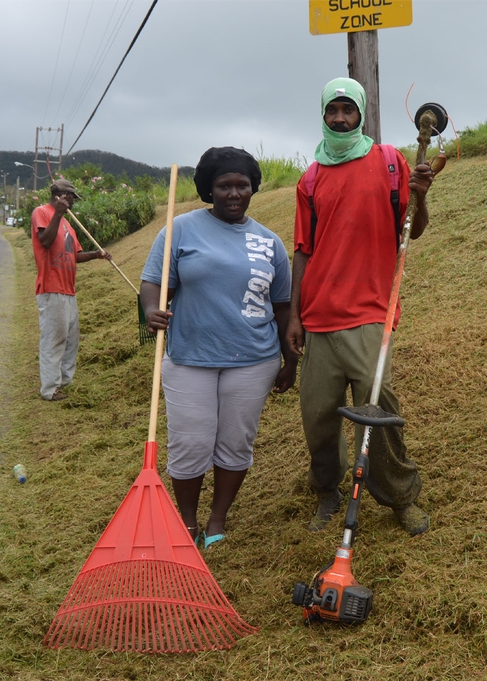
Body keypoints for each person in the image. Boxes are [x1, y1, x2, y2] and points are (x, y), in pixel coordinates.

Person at [286, 77, 436, 536]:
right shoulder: (311, 178)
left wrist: (421, 196)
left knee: (378, 407)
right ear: (323, 114)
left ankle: (399, 495)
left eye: (347, 109)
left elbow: (411, 230)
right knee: (318, 416)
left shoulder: (389, 162)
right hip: (318, 317)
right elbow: (303, 250)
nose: (339, 118)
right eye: (332, 110)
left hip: (370, 310)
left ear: (361, 113)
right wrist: (294, 316)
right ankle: (327, 491)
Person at [141, 147, 296, 549]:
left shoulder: (269, 242)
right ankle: (187, 521)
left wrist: (289, 361)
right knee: (190, 443)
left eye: (242, 185)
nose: (234, 193)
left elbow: (282, 307)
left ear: (253, 188)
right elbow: (154, 283)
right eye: (224, 185)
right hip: (190, 358)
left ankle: (217, 519)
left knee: (235, 442)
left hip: (254, 361)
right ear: (209, 189)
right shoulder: (179, 230)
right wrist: (151, 310)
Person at [31, 178, 112, 401]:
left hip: (68, 290)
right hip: (51, 287)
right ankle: (49, 389)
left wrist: (96, 254)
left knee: (70, 340)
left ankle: (65, 382)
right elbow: (45, 241)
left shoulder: (68, 224)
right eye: (72, 198)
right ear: (63, 196)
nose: (73, 203)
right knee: (54, 339)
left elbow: (74, 255)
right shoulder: (42, 212)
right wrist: (57, 213)